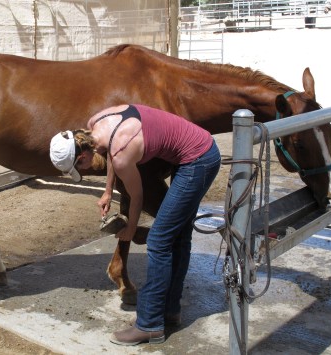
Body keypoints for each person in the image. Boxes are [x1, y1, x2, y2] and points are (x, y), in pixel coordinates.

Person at [49, 104, 220, 346]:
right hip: (194, 150)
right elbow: (108, 153)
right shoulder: (95, 124)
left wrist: (130, 230)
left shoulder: (122, 151)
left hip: (199, 160)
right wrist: (107, 191)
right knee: (180, 236)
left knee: (160, 241)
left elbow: (137, 196)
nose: (83, 171)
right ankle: (170, 311)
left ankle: (149, 325)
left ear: (82, 156)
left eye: (79, 168)